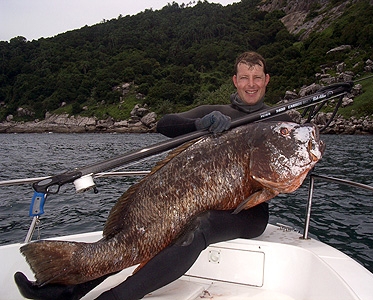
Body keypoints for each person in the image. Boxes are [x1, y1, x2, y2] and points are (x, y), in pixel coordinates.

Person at [15, 51, 293, 300]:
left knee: (200, 225)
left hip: (248, 210)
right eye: (245, 77)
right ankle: (69, 288)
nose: (251, 84)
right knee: (150, 228)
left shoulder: (280, 124)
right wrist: (200, 123)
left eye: (257, 77)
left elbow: (296, 162)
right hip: (199, 199)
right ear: (235, 80)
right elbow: (165, 123)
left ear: (267, 79)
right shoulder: (218, 112)